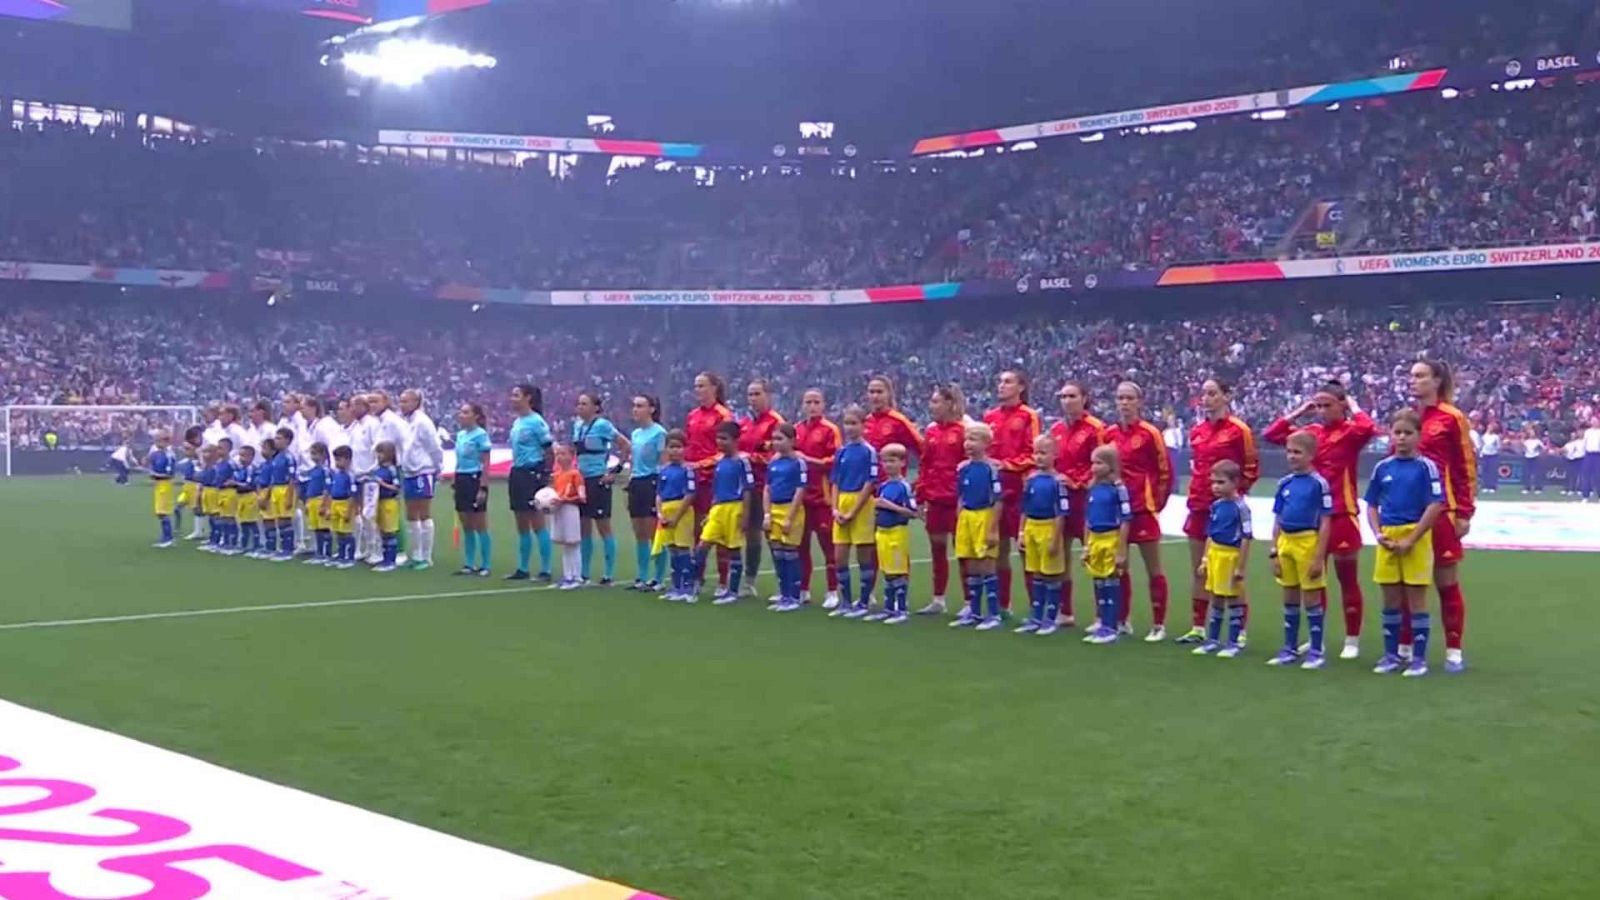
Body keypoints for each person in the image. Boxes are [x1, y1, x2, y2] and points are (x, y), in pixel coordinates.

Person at [1264, 382, 1377, 659]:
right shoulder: (1311, 433)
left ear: (1341, 405)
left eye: (1328, 405)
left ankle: (1352, 638)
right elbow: (1271, 434)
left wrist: (1351, 404)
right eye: (1319, 406)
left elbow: (1369, 428)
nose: (1322, 411)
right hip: (1311, 521)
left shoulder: (1350, 432)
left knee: (1347, 579)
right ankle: (1319, 639)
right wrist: (1301, 410)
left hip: (1341, 514)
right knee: (1316, 579)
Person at [1406, 359, 1474, 673]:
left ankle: (1454, 650)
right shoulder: (1409, 418)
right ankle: (1406, 647)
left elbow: (1464, 466)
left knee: (1446, 583)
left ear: (1436, 380)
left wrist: (1463, 511)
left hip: (1442, 513)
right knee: (1406, 583)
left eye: (1420, 376)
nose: (1413, 381)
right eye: (1411, 376)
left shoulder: (1452, 417)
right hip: (1406, 515)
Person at [1179, 379, 1259, 644]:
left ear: (1227, 395)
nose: (1207, 398)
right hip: (1199, 505)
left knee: (1231, 570)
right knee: (1200, 570)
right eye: (1204, 394)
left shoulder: (1239, 430)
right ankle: (1199, 627)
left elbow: (1250, 467)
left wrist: (1233, 500)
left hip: (1226, 511)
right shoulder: (1197, 431)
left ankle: (1241, 629)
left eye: (1213, 393)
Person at [1366, 410, 1445, 678]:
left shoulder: (1426, 467)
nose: (1401, 438)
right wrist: (1378, 534)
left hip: (1416, 537)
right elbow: (1372, 505)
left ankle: (1419, 659)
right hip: (1388, 537)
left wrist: (1412, 539)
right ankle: (1392, 655)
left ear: (1418, 436)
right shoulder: (1382, 467)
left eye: (1407, 433)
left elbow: (1435, 505)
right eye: (1397, 432)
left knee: (1416, 598)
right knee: (1390, 598)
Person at [1105, 381, 1172, 641]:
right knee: (1119, 567)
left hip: (1142, 508)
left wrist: (1155, 502)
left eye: (1129, 398)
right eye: (1120, 398)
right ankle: (1122, 620)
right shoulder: (1109, 433)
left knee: (1153, 568)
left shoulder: (1149, 433)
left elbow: (1165, 471)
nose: (1124, 403)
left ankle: (1158, 625)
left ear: (1139, 402)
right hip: (1116, 511)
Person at [1266, 431, 1334, 670]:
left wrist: (1318, 557)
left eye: (1298, 452)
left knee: (1312, 598)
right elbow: (1277, 519)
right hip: (1286, 542)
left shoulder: (1319, 483)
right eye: (1289, 451)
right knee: (1289, 596)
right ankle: (1289, 648)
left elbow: (1326, 522)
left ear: (1311, 455)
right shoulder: (1284, 483)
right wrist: (1274, 550)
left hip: (1308, 542)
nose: (1292, 456)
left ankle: (1316, 650)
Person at [1048, 380, 1108, 628]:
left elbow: (1104, 464)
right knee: (1060, 556)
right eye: (1063, 396)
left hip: (1086, 498)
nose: (1067, 401)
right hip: (1062, 499)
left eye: (1072, 396)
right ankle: (1065, 611)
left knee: (1094, 556)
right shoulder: (1056, 429)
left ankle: (1102, 614)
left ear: (1084, 398)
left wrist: (1077, 481)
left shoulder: (1096, 428)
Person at [1192, 460, 1252, 659]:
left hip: (1230, 555)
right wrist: (1204, 559)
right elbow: (1211, 534)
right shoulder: (1216, 506)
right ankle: (1213, 640)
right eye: (1213, 482)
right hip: (1215, 554)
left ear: (1235, 482)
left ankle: (1234, 642)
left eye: (1221, 482)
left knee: (1233, 599)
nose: (1215, 487)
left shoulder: (1241, 507)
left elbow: (1246, 537)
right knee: (1215, 597)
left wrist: (1240, 567)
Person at [916, 383, 967, 615]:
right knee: (937, 550)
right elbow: (925, 465)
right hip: (935, 499)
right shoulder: (931, 432)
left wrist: (964, 499)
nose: (931, 405)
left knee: (963, 552)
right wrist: (921, 496)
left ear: (949, 403)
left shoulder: (963, 431)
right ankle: (938, 599)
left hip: (955, 500)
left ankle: (969, 602)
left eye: (936, 401)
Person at [571, 392, 630, 587]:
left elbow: (625, 445)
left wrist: (615, 470)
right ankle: (584, 572)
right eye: (579, 404)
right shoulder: (577, 426)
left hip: (598, 480)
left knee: (603, 527)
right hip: (581, 480)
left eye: (584, 404)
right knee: (583, 527)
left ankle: (608, 572)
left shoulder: (603, 425)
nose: (580, 407)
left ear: (596, 407)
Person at [951, 422, 1003, 631]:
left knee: (986, 565)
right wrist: (959, 518)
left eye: (974, 440)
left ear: (987, 443)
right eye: (967, 439)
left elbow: (998, 501)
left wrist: (992, 529)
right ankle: (974, 612)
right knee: (971, 565)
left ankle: (993, 614)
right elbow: (961, 497)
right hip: (967, 518)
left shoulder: (991, 469)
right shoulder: (963, 468)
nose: (968, 444)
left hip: (984, 517)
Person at [1016, 434, 1069, 636]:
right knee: (1036, 573)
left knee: (1051, 574)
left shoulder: (1058, 482)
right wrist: (1021, 532)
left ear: (1055, 455)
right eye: (1036, 453)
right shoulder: (1030, 479)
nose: (1038, 457)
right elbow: (1024, 508)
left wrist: (1056, 539)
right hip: (1032, 528)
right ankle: (1035, 616)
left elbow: (1060, 514)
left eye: (1043, 453)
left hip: (1048, 528)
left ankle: (1051, 617)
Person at [686, 372, 736, 591]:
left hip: (715, 478)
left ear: (714, 388)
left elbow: (727, 449)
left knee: (718, 530)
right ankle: (698, 576)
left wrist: (701, 464)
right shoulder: (693, 415)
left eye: (702, 385)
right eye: (696, 386)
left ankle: (724, 580)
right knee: (697, 530)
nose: (698, 390)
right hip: (694, 479)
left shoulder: (723, 414)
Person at [830, 405, 879, 619]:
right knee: (839, 557)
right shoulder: (841, 451)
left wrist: (853, 511)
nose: (849, 428)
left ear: (863, 425)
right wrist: (834, 508)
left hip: (862, 503)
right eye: (847, 423)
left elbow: (870, 483)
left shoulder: (869, 451)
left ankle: (864, 601)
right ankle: (846, 601)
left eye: (854, 423)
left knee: (863, 556)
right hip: (842, 502)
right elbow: (835, 482)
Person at [696, 421, 754, 604]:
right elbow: (716, 488)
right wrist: (710, 511)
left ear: (736, 440)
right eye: (718, 438)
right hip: (718, 508)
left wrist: (745, 515)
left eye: (724, 439)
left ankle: (733, 591)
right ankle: (695, 582)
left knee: (733, 549)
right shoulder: (719, 461)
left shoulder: (742, 461)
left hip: (734, 508)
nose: (720, 442)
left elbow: (747, 490)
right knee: (702, 545)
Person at [794, 388, 842, 607]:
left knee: (828, 547)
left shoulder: (830, 430)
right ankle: (803, 589)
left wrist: (811, 460)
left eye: (816, 402)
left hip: (822, 498)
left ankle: (833, 590)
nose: (812, 406)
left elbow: (836, 460)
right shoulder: (796, 429)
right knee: (800, 547)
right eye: (808, 402)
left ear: (823, 405)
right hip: (801, 498)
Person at [738, 379, 786, 598]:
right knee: (751, 534)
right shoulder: (745, 423)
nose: (753, 399)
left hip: (769, 486)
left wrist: (753, 457)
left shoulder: (775, 422)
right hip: (748, 487)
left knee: (772, 535)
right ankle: (749, 581)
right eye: (750, 394)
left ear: (768, 395)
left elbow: (779, 454)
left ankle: (783, 582)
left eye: (757, 394)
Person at [1081, 446, 1133, 645]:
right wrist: (1086, 546)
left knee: (1111, 582)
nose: (1094, 467)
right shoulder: (1093, 488)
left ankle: (1112, 626)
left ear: (1111, 465)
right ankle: (1102, 622)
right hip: (1095, 538)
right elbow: (1088, 518)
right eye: (1093, 462)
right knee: (1099, 582)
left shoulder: (1118, 489)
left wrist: (1121, 549)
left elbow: (1126, 520)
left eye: (1099, 463)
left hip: (1110, 537)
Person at [506, 383, 554, 582]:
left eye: (516, 395)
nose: (512, 398)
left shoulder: (537, 422)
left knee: (537, 522)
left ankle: (546, 569)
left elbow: (549, 451)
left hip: (532, 473)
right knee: (521, 524)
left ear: (528, 398)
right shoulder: (518, 422)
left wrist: (545, 476)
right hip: (517, 472)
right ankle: (523, 568)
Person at [764, 423, 808, 613]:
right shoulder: (773, 462)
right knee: (778, 552)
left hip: (791, 509)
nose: (776, 443)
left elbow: (800, 489)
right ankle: (784, 593)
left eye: (780, 439)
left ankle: (794, 596)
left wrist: (790, 517)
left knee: (790, 552)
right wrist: (767, 514)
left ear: (792, 441)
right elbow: (767, 488)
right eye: (774, 439)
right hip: (774, 509)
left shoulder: (798, 462)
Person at [626, 395, 669, 592]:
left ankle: (658, 577)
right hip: (636, 482)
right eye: (634, 406)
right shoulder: (635, 434)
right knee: (639, 532)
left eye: (640, 406)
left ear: (652, 409)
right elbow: (635, 462)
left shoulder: (659, 433)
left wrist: (663, 487)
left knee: (654, 532)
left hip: (652, 481)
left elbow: (663, 461)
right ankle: (641, 576)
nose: (635, 409)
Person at [872, 443, 917, 625]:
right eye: (885, 461)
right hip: (882, 532)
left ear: (902, 463)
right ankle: (889, 608)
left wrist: (888, 506)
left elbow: (911, 512)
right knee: (888, 572)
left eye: (892, 461)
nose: (888, 465)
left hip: (897, 533)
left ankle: (902, 610)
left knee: (898, 572)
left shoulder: (903, 486)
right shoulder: (883, 486)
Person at [400, 389, 445, 571]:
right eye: (401, 401)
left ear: (416, 402)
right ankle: (416, 554)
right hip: (410, 472)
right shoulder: (407, 422)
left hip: (423, 472)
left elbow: (434, 447)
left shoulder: (423, 422)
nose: (402, 405)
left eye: (406, 401)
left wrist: (437, 467)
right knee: (411, 514)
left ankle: (426, 557)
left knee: (423, 512)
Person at [654, 431, 698, 602]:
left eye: (678, 447)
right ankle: (676, 586)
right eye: (671, 447)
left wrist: (677, 516)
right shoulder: (664, 470)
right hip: (666, 509)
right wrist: (660, 514)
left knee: (683, 548)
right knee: (672, 549)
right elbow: (659, 494)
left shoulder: (688, 470)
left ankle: (688, 587)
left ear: (685, 449)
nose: (674, 451)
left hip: (682, 511)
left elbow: (690, 494)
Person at [453, 403, 493, 576]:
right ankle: (469, 563)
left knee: (479, 523)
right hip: (462, 478)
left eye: (466, 412)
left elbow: (485, 463)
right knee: (466, 523)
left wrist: (483, 487)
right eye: (461, 412)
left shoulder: (481, 435)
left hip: (474, 478)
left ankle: (485, 564)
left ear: (476, 416)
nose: (461, 415)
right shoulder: (461, 435)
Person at [550, 443, 588, 590]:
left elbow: (582, 497)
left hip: (570, 509)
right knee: (565, 544)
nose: (560, 457)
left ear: (572, 457)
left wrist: (565, 500)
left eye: (563, 454)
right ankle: (567, 576)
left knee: (573, 543)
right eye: (558, 454)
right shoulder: (557, 475)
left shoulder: (575, 474)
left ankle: (576, 577)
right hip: (559, 510)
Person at [369, 442, 401, 573]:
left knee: (389, 532)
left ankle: (391, 560)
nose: (378, 455)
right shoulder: (377, 469)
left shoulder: (392, 470)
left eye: (381, 452)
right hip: (379, 502)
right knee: (382, 531)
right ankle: (384, 558)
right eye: (377, 452)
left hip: (389, 502)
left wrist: (382, 484)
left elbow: (397, 488)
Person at [268, 426, 298, 561]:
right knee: (279, 519)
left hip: (285, 489)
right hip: (276, 489)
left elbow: (292, 478)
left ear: (287, 440)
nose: (276, 441)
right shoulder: (276, 457)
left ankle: (288, 548)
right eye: (276, 438)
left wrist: (289, 496)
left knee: (286, 520)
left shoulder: (289, 457)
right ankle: (282, 547)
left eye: (279, 438)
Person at [325, 445, 357, 569]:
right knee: (338, 531)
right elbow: (331, 492)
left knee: (347, 532)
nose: (337, 463)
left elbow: (353, 495)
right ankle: (341, 554)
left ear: (348, 460)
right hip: (335, 504)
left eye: (339, 460)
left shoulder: (351, 476)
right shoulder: (336, 474)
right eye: (336, 460)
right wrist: (329, 507)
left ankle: (349, 557)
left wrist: (349, 511)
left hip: (345, 504)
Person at [303, 442, 332, 566]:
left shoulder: (326, 470)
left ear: (323, 455)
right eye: (311, 454)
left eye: (315, 454)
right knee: (316, 529)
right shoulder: (313, 470)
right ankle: (319, 552)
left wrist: (325, 505)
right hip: (312, 501)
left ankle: (327, 553)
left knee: (324, 528)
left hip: (320, 500)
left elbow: (327, 488)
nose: (313, 457)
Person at [148, 430, 176, 548]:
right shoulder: (155, 454)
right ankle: (165, 536)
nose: (157, 442)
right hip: (158, 485)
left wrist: (156, 475)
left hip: (165, 484)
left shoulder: (169, 455)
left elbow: (170, 474)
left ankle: (168, 538)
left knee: (163, 511)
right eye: (156, 440)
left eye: (160, 440)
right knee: (159, 512)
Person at [233, 444, 261, 558]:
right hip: (241, 497)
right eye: (240, 455)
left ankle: (256, 546)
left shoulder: (252, 468)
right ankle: (244, 546)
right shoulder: (241, 469)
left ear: (251, 457)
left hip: (250, 497)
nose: (241, 458)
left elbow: (250, 485)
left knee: (251, 522)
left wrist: (235, 483)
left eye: (244, 456)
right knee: (243, 522)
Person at [175, 442, 201, 541]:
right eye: (185, 449)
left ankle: (198, 531)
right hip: (186, 487)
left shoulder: (198, 462)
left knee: (197, 509)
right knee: (177, 507)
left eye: (188, 449)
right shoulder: (184, 461)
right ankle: (177, 529)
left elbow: (199, 474)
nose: (185, 451)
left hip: (194, 486)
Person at [1520, 425, 1545, 495]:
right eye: (1530, 433)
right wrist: (1522, 445)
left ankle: (1538, 488)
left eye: (1533, 432)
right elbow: (1523, 450)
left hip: (1535, 458)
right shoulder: (1526, 441)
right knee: (1527, 473)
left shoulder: (1538, 441)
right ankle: (1527, 488)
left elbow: (1543, 449)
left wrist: (1539, 450)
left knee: (1537, 473)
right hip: (1527, 458)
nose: (1532, 434)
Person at [1562, 431, 1585, 496]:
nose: (1573, 437)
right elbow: (1564, 450)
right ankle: (1569, 489)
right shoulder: (1568, 444)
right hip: (1570, 460)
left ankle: (1579, 489)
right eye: (1572, 436)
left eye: (1574, 435)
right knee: (1570, 475)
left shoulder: (1580, 442)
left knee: (1579, 475)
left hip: (1579, 459)